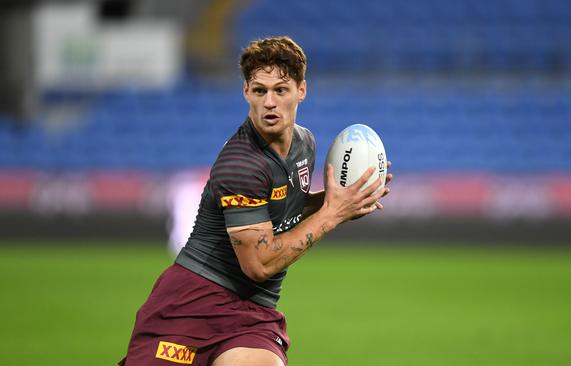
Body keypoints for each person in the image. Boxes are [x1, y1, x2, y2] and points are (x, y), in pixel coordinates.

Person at [120, 36, 392, 366]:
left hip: (253, 312)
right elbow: (259, 264)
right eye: (260, 90)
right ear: (246, 92)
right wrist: (333, 214)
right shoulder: (241, 164)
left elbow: (283, 207)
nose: (270, 102)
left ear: (301, 90)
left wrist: (339, 202)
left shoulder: (304, 144)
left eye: (281, 89)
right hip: (191, 304)